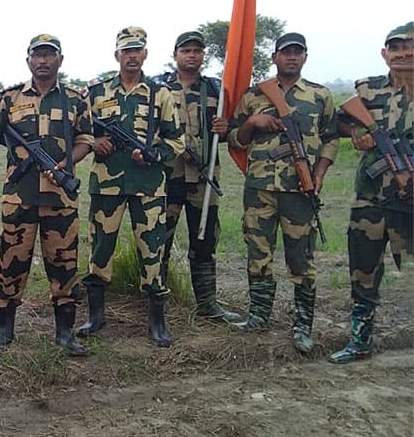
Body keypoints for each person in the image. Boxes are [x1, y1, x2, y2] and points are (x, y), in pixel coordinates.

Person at [0, 34, 94, 356]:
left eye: (50, 55)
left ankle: (65, 334)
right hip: (18, 198)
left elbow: (87, 139)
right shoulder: (9, 99)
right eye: (37, 55)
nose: (43, 61)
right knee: (11, 263)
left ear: (60, 60)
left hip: (60, 199)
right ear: (28, 60)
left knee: (65, 265)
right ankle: (4, 331)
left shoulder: (75, 100)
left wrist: (65, 162)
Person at [227, 32, 338, 353]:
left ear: (305, 57)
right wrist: (252, 121)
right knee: (257, 253)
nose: (291, 58)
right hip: (260, 188)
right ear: (274, 57)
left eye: (297, 53)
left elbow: (331, 137)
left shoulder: (320, 96)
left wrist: (318, 173)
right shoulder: (254, 95)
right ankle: (259, 315)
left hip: (300, 191)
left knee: (301, 258)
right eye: (285, 53)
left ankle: (302, 325)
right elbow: (235, 139)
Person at [78, 27, 184, 347]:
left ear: (145, 54)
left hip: (149, 185)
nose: (132, 55)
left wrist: (154, 154)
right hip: (106, 186)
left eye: (137, 50)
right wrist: (95, 142)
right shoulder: (96, 93)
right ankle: (96, 317)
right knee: (99, 251)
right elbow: (78, 132)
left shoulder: (159, 93)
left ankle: (156, 323)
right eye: (126, 50)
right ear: (117, 55)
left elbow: (176, 141)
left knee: (152, 251)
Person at [329, 22, 413, 363]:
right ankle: (360, 339)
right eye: (396, 47)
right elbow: (337, 122)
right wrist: (357, 134)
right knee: (363, 270)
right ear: (385, 54)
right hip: (371, 198)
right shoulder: (367, 90)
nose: (404, 52)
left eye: (410, 46)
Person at [156, 32, 242, 323]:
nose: (191, 55)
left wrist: (225, 128)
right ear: (175, 54)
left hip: (204, 180)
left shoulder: (217, 90)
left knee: (204, 241)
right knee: (160, 241)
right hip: (168, 177)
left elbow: (234, 133)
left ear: (204, 55)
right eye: (186, 50)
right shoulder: (158, 89)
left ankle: (207, 305)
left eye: (197, 50)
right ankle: (157, 305)